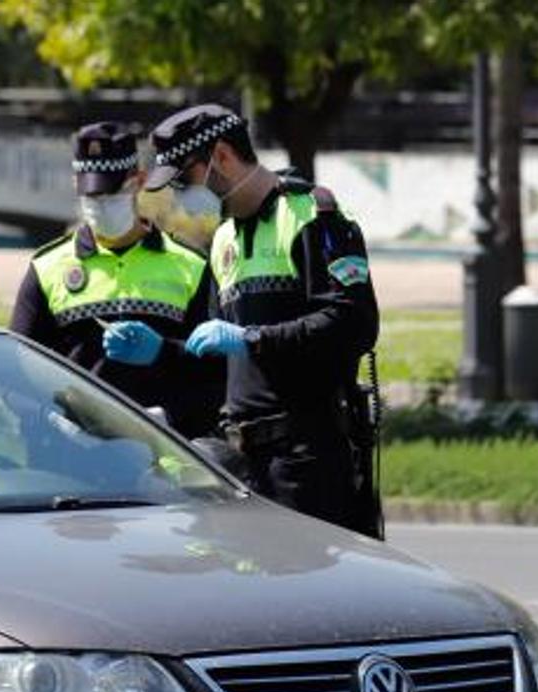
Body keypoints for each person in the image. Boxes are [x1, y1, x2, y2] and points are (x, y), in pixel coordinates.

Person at [143, 104, 382, 536]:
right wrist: (164, 350)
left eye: (184, 179)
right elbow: (223, 356)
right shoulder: (223, 240)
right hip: (241, 463)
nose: (178, 194)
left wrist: (253, 338)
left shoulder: (313, 216)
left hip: (306, 459)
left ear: (221, 156)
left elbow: (353, 324)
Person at [9, 121, 223, 439]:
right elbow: (14, 372)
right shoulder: (47, 267)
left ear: (137, 181)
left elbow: (217, 372)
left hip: (167, 458)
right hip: (71, 461)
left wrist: (169, 416)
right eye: (91, 195)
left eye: (111, 193)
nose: (99, 203)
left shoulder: (189, 266)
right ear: (76, 185)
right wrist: (52, 419)